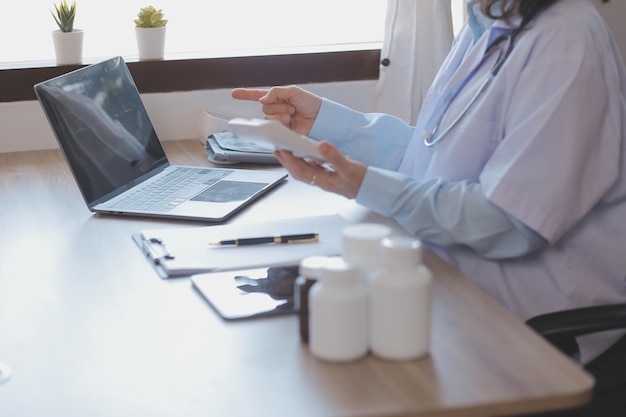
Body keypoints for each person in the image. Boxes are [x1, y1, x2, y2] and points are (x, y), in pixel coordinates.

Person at [233, 1, 626, 415]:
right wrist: (330, 125)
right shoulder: (486, 21)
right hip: (451, 292)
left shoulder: (565, 41)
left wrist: (364, 185)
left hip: (528, 333)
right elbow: (433, 159)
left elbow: (510, 222)